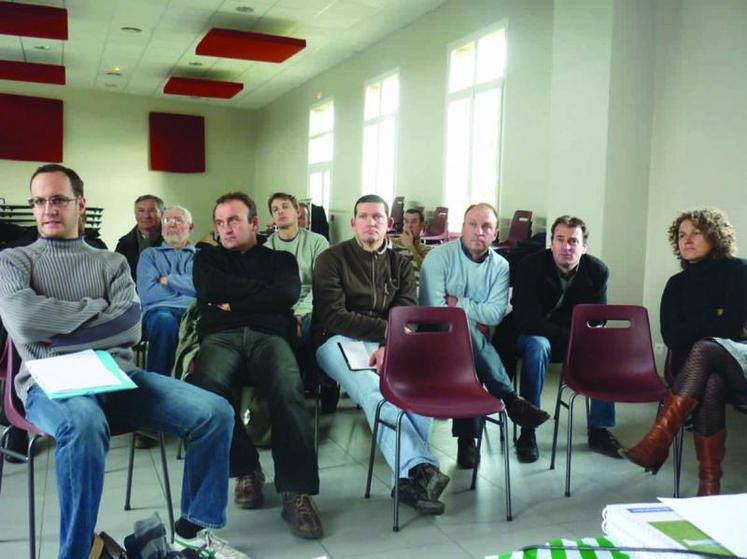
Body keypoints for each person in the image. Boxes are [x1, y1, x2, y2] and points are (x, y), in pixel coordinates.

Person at [0, 164, 238, 559]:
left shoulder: (112, 263)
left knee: (215, 412)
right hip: (49, 379)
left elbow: (130, 325)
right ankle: (77, 553)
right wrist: (95, 310)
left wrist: (55, 328)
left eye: (57, 199)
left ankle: (193, 532)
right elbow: (24, 321)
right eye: (39, 201)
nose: (47, 209)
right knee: (84, 423)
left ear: (80, 204)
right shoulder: (14, 260)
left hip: (118, 375)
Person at [188, 192, 322, 539]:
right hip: (220, 336)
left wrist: (233, 303)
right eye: (219, 223)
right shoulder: (207, 260)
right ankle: (246, 468)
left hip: (269, 336)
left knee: (289, 386)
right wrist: (259, 296)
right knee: (208, 389)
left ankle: (296, 491)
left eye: (233, 220)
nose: (225, 229)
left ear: (254, 223)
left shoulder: (280, 261)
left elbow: (286, 295)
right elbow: (209, 289)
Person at [314, 194, 451, 515]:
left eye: (377, 217)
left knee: (419, 386)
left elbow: (407, 311)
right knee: (376, 393)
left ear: (388, 224)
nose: (370, 222)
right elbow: (334, 316)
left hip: (390, 342)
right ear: (353, 223)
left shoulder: (402, 263)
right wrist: (388, 335)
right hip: (337, 341)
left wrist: (389, 347)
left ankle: (408, 482)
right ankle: (422, 467)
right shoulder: (331, 259)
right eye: (363, 216)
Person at [623, 208, 747, 496]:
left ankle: (657, 442)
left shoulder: (738, 271)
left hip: (742, 360)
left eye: (696, 233)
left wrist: (708, 323)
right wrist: (715, 315)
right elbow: (672, 337)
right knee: (712, 383)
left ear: (715, 236)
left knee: (704, 347)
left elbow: (728, 327)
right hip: (706, 369)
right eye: (681, 235)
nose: (687, 240)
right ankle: (709, 487)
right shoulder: (676, 285)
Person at [420, 203, 550, 469]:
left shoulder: (501, 266)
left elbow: (495, 315)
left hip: (477, 346)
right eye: (473, 224)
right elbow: (437, 312)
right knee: (460, 328)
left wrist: (459, 303)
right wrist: (468, 315)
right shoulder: (437, 258)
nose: (479, 231)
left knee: (468, 350)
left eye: (487, 226)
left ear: (496, 233)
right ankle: (509, 399)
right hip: (434, 339)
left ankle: (468, 442)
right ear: (462, 227)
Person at [508, 215, 620, 463]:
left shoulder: (597, 271)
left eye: (573, 241)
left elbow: (597, 318)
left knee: (603, 347)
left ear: (584, 246)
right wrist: (568, 334)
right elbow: (527, 319)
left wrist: (577, 335)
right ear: (552, 242)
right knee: (538, 346)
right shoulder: (530, 266)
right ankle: (528, 432)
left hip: (573, 339)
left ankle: (599, 430)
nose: (566, 247)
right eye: (560, 239)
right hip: (534, 336)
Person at [136, 206, 196, 376]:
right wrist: (185, 289)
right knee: (165, 321)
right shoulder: (149, 255)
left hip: (193, 311)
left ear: (191, 227)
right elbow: (147, 293)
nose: (171, 224)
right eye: (166, 220)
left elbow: (203, 288)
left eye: (178, 220)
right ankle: (159, 385)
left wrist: (167, 280)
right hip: (158, 311)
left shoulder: (201, 256)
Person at [264, 192, 329, 341]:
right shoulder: (267, 248)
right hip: (280, 307)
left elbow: (321, 285)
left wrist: (300, 313)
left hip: (311, 305)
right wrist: (288, 315)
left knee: (310, 328)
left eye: (285, 207)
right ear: (273, 217)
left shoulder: (318, 242)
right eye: (275, 210)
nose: (280, 211)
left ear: (297, 211)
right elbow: (268, 290)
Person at [115, 194, 164, 281]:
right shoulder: (123, 244)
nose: (146, 216)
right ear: (135, 214)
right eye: (141, 210)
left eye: (152, 210)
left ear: (162, 213)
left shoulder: (173, 242)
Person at [391, 208, 431, 273]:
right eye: (406, 221)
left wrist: (410, 247)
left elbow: (425, 272)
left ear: (422, 225)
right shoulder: (392, 243)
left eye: (414, 222)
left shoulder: (427, 250)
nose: (409, 226)